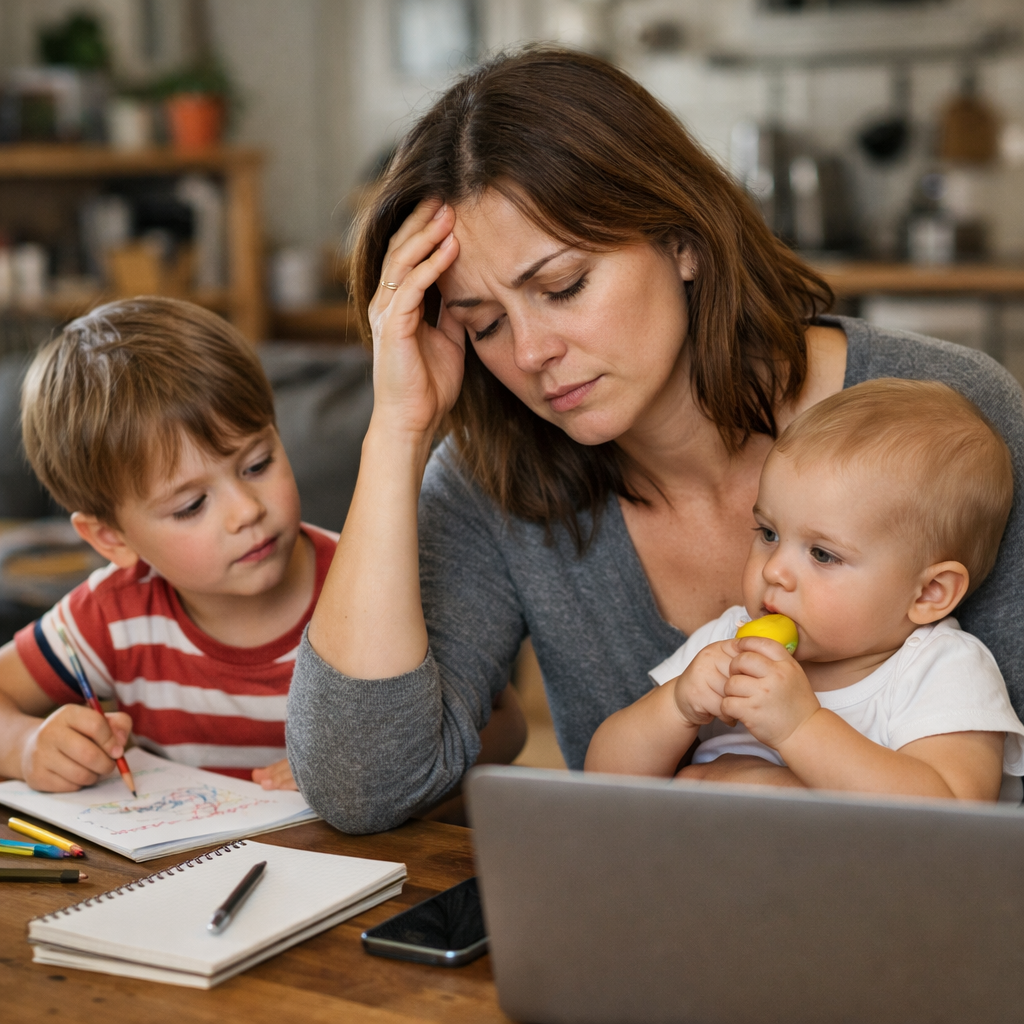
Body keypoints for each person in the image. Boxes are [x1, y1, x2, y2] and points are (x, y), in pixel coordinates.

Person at [286, 47, 1024, 834]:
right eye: (487, 324)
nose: (531, 353)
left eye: (563, 286)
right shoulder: (493, 476)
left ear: (683, 240)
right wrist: (398, 429)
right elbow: (359, 786)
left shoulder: (957, 417)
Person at [0, 295, 526, 793]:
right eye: (191, 506)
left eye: (257, 465)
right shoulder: (111, 616)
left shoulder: (374, 589)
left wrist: (363, 778)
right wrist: (24, 746)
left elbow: (508, 725)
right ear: (110, 538)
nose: (246, 510)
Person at [585, 379, 1024, 799]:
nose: (775, 570)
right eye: (769, 534)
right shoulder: (729, 640)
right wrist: (677, 707)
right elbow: (601, 782)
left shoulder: (940, 669)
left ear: (929, 593)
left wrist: (800, 728)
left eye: (822, 555)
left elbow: (951, 817)